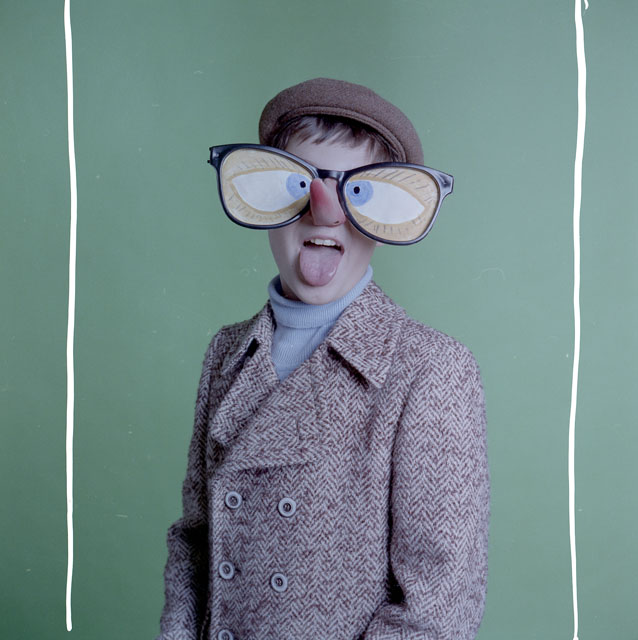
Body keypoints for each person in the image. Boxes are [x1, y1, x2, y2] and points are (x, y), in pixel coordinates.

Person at [157, 77, 489, 640]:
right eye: (300, 184)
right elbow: (195, 541)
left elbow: (437, 610)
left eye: (357, 192)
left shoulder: (431, 369)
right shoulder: (225, 353)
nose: (325, 212)